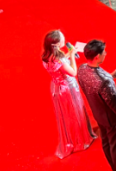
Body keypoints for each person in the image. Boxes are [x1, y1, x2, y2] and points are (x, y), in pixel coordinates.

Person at [78, 40, 116, 171]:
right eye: (104, 52)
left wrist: (110, 76)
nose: (105, 54)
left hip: (98, 114)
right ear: (97, 56)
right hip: (111, 119)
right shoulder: (104, 81)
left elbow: (94, 86)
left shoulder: (82, 69)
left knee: (107, 142)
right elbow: (113, 102)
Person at [41, 29, 96, 158]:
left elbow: (59, 66)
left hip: (56, 87)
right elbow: (73, 72)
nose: (64, 40)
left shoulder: (46, 55)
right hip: (67, 88)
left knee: (65, 115)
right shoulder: (58, 60)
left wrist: (67, 55)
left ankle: (71, 137)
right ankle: (80, 139)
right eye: (62, 39)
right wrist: (72, 56)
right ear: (58, 44)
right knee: (74, 112)